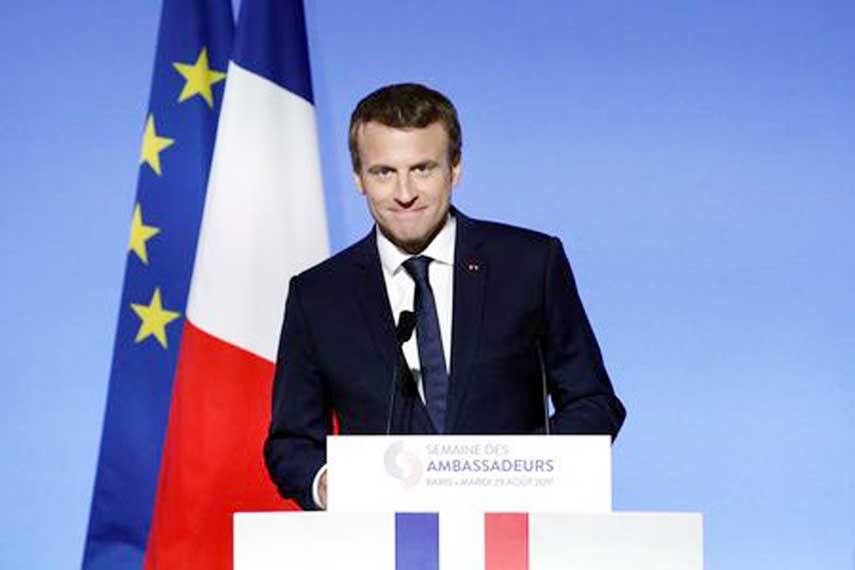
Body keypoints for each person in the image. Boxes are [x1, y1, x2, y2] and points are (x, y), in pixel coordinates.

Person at [264, 83, 625, 510]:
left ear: (455, 169)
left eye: (423, 168)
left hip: (510, 533)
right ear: (358, 177)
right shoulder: (318, 294)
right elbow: (291, 442)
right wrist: (327, 485)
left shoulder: (529, 264)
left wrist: (529, 470)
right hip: (378, 538)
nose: (404, 192)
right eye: (384, 172)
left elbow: (594, 403)